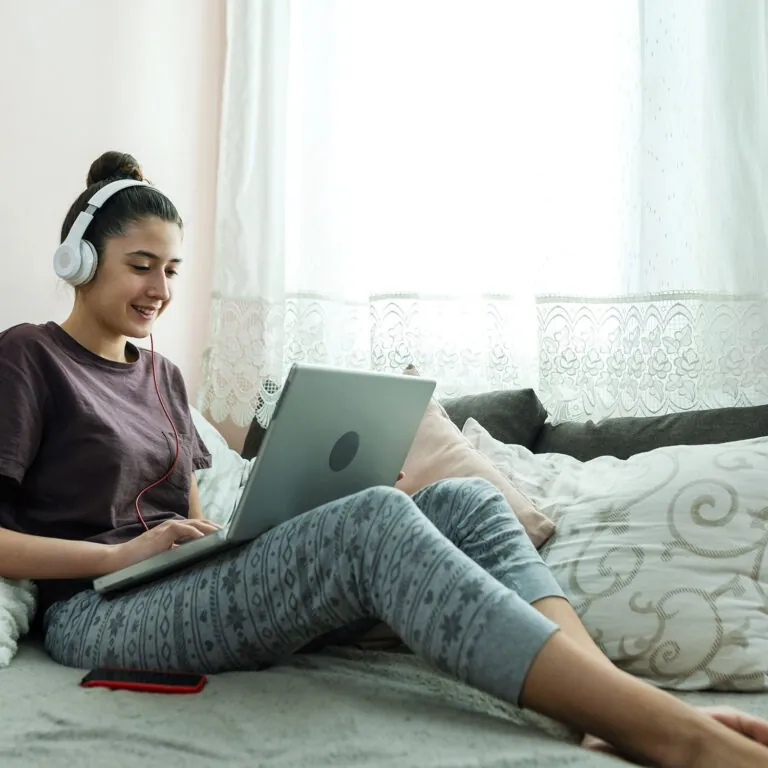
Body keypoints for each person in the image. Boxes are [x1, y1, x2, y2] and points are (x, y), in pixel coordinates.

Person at [1, 151, 767, 768]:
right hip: (95, 610)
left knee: (462, 503)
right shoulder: (29, 357)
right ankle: (670, 732)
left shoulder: (163, 375)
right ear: (80, 260)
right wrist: (131, 551)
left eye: (171, 270)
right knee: (374, 521)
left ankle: (611, 702)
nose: (161, 288)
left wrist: (245, 528)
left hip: (172, 581)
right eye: (142, 265)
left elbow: (188, 520)